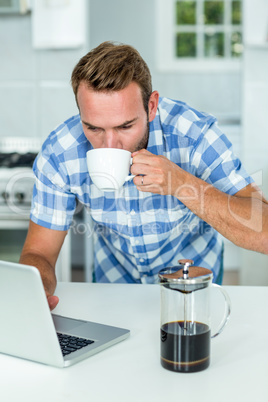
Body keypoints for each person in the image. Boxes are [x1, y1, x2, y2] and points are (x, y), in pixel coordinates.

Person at [20, 41, 268, 311]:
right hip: (112, 283)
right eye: (93, 127)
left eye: (125, 126)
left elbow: (262, 231)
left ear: (151, 107)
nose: (109, 145)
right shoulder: (60, 151)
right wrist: (36, 290)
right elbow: (39, 252)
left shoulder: (195, 135)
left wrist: (182, 184)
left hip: (192, 282)